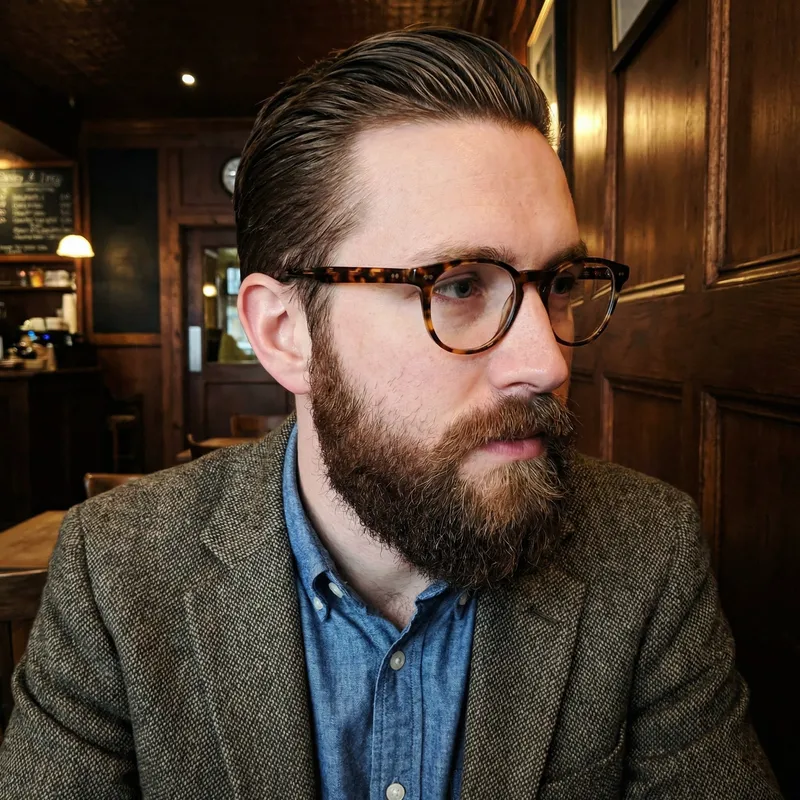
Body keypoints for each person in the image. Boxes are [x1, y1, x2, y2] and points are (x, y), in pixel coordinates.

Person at [0, 28, 782, 800]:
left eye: (559, 283)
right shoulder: (119, 571)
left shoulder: (647, 555)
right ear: (285, 333)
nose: (548, 362)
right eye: (460, 286)